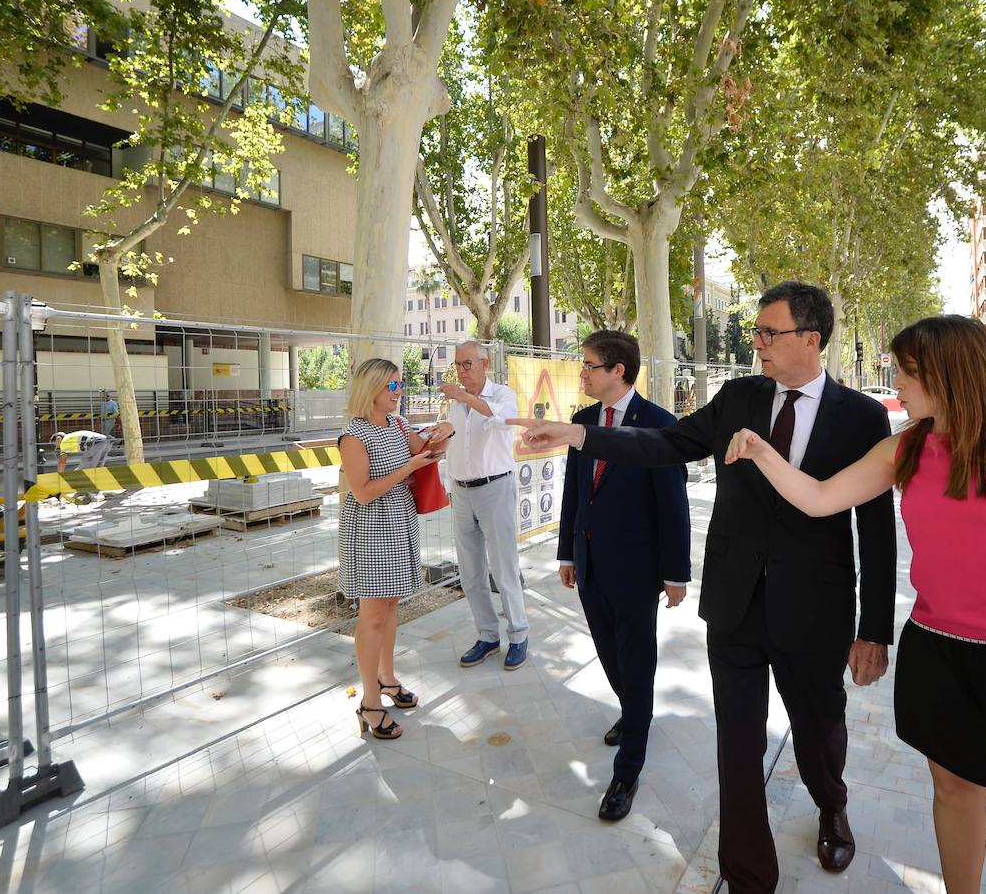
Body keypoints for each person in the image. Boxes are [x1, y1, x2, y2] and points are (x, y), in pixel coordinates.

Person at [511, 281, 896, 893]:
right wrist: (579, 436)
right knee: (736, 749)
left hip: (814, 612)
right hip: (734, 604)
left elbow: (876, 533)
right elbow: (667, 442)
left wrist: (874, 629)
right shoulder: (739, 396)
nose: (758, 343)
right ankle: (748, 875)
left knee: (820, 728)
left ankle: (831, 803)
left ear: (811, 340)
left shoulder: (863, 418)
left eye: (770, 332)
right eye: (757, 332)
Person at [722, 314, 986, 894]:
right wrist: (762, 453)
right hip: (939, 659)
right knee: (954, 795)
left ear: (948, 372)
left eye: (906, 373)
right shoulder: (907, 446)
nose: (897, 384)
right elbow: (819, 499)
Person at [556, 331, 691, 822]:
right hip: (590, 565)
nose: (583, 373)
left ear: (618, 370)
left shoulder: (659, 425)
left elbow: (673, 505)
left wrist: (675, 572)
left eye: (590, 365)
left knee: (636, 660)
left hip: (638, 570)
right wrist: (567, 554)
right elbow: (575, 492)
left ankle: (627, 768)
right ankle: (635, 712)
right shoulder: (583, 423)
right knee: (610, 654)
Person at [337, 358, 453, 740]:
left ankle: (386, 679)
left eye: (400, 384)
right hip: (370, 527)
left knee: (389, 606)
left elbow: (432, 454)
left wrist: (447, 430)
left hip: (398, 521)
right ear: (371, 388)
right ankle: (370, 702)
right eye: (392, 386)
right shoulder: (354, 436)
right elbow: (364, 492)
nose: (399, 391)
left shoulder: (399, 424)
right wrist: (412, 465)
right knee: (371, 615)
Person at [443, 341, 530, 670]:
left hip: (495, 488)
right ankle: (488, 635)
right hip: (461, 491)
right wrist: (443, 431)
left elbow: (500, 419)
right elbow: (457, 436)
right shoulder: (455, 404)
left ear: (484, 363)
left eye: (467, 364)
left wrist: (463, 398)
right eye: (458, 365)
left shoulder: (502, 395)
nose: (462, 371)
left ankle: (519, 634)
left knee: (504, 567)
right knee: (470, 572)